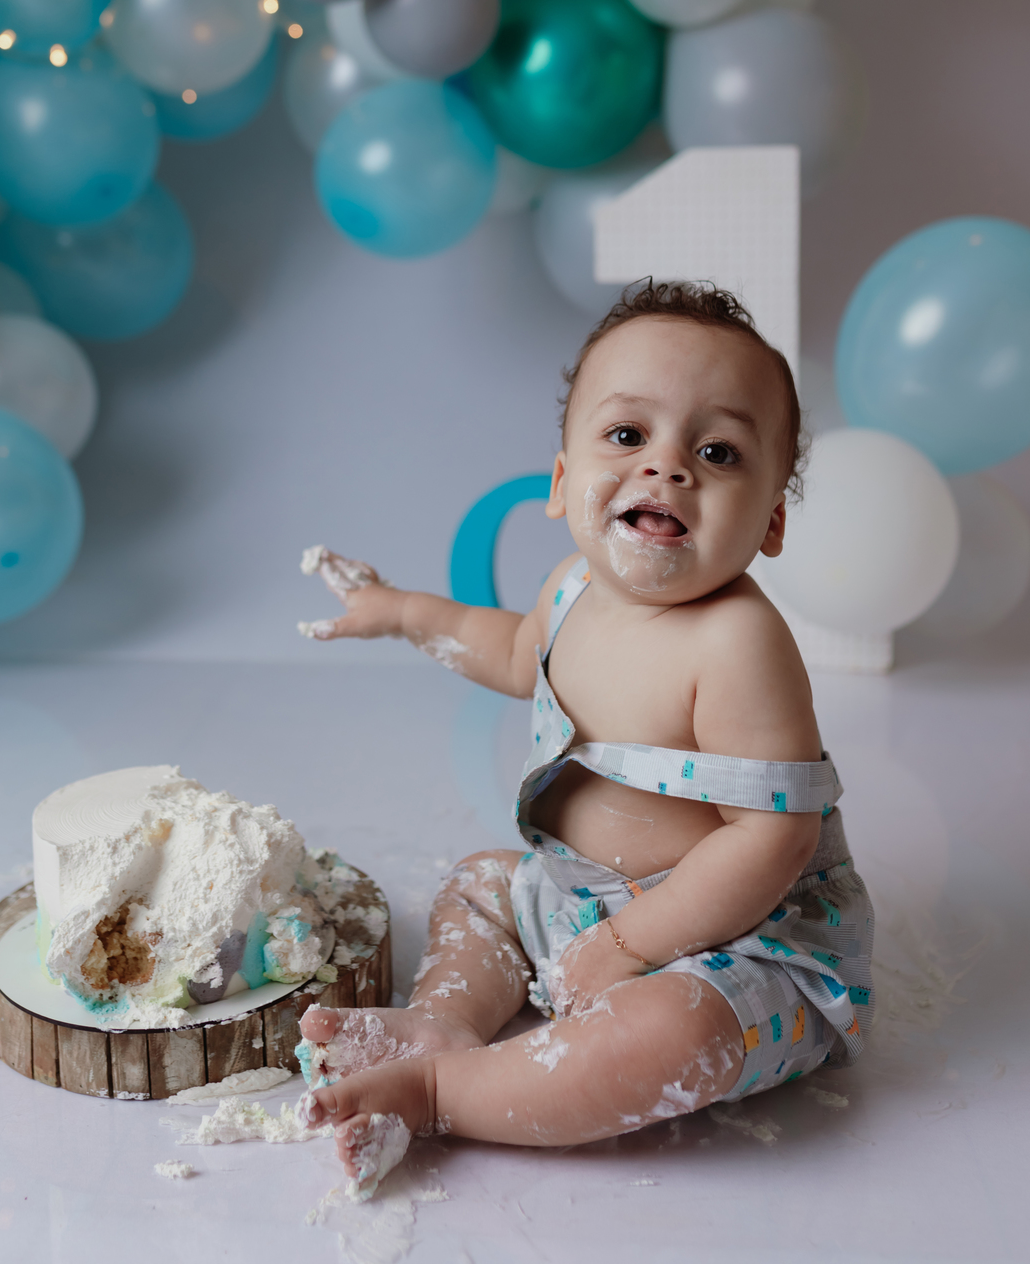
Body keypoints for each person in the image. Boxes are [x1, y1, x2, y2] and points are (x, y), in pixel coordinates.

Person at [294, 281, 873, 1196]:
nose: (666, 467)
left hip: (737, 939)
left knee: (675, 1033)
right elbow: (512, 649)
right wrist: (404, 612)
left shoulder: (738, 643)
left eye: (717, 451)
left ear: (770, 520)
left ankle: (446, 1092)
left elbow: (773, 838)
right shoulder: (572, 587)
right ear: (564, 482)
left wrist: (633, 944)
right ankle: (446, 1022)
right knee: (480, 883)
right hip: (578, 897)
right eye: (628, 434)